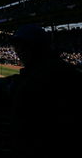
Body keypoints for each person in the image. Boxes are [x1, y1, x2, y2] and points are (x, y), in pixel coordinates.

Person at [10, 24, 82, 157]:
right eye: (16, 46)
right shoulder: (55, 69)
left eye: (23, 45)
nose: (18, 50)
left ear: (38, 46)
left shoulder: (53, 74)